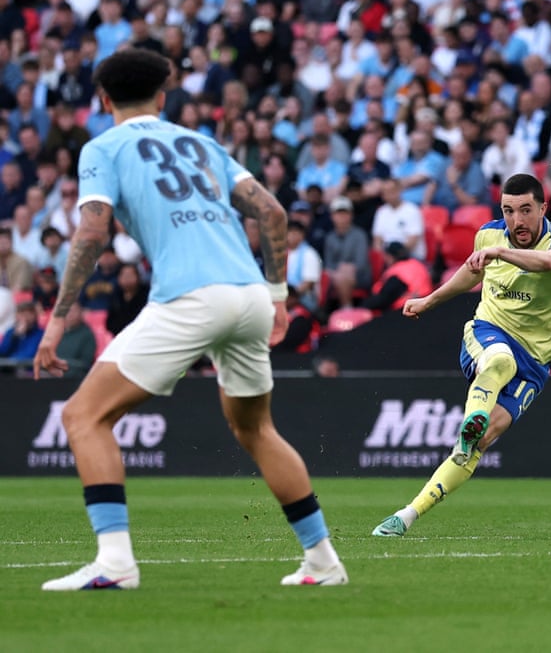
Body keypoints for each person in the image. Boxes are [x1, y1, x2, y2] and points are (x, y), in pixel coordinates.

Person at [33, 49, 347, 591]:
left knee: (84, 417)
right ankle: (322, 559)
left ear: (103, 99)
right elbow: (272, 212)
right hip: (248, 292)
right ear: (162, 97)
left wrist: (58, 319)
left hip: (190, 296)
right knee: (256, 428)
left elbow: (90, 232)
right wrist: (276, 297)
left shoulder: (101, 148)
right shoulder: (203, 144)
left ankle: (114, 563)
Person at [371, 174, 551, 537]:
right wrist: (430, 300)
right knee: (500, 360)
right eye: (509, 211)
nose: (517, 220)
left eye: (526, 210)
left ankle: (407, 515)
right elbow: (470, 276)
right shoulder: (487, 234)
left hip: (535, 361)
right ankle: (474, 419)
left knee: (479, 445)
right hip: (488, 332)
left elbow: (548, 263)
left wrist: (500, 253)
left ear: (543, 209)